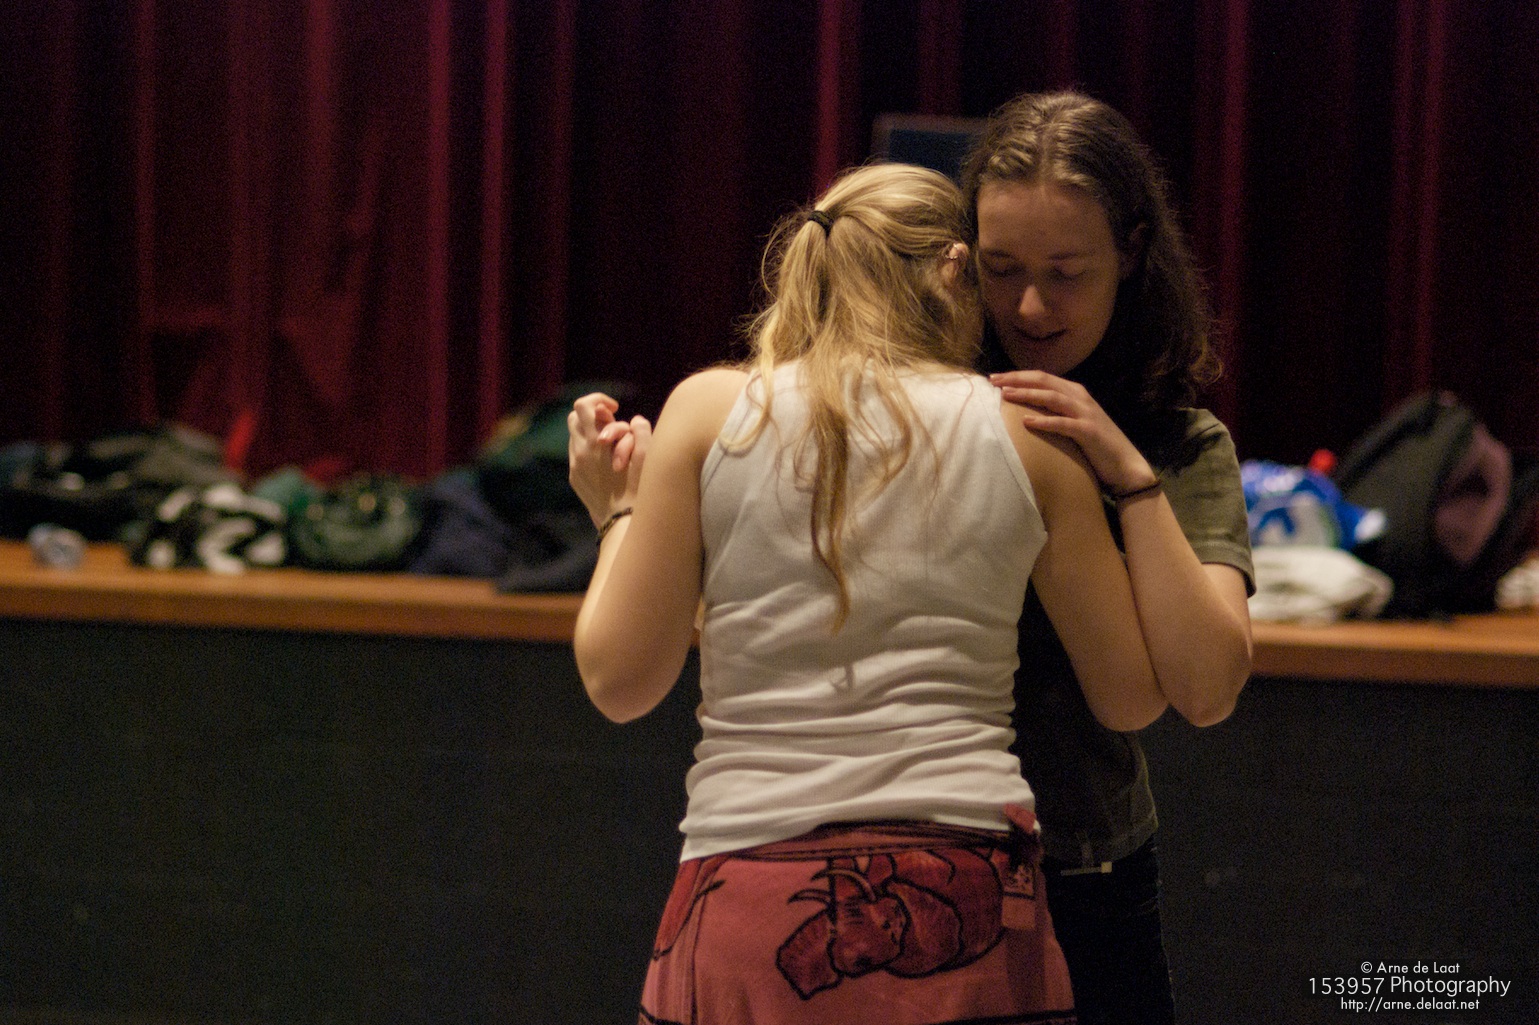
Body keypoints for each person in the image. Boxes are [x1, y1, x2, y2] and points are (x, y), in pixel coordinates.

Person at [568, 161, 1168, 1025]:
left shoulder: (707, 412)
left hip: (748, 892)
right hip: (967, 898)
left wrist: (617, 513)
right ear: (955, 268)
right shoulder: (1031, 436)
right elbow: (1130, 695)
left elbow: (619, 682)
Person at [960, 90, 1256, 1024]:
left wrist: (1126, 475)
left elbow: (1205, 689)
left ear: (1130, 252)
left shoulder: (1178, 441)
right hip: (919, 847)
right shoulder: (925, 401)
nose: (1030, 305)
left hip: (1084, 863)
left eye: (1066, 273)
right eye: (1000, 269)